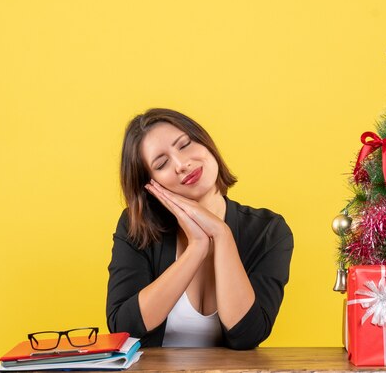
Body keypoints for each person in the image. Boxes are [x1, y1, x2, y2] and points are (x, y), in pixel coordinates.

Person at [106, 108, 294, 349]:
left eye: (184, 145)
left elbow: (247, 335)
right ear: (150, 185)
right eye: (162, 163)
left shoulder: (269, 231)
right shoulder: (138, 227)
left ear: (206, 143)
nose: (182, 164)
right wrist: (196, 248)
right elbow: (124, 328)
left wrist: (222, 234)